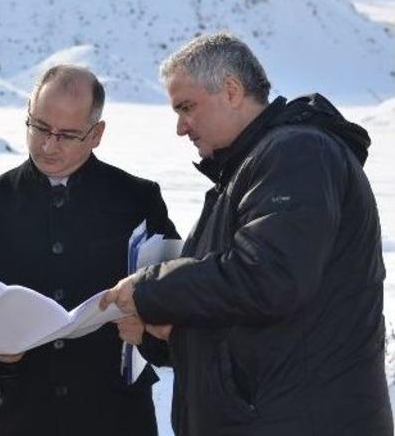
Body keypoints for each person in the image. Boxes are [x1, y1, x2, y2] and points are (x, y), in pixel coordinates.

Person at [100, 32, 394, 435]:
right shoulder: (247, 170)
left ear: (232, 91)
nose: (181, 128)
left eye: (187, 107)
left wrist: (148, 289)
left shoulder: (297, 155)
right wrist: (164, 334)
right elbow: (245, 317)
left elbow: (268, 277)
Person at [0, 65, 178, 435]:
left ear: (96, 134)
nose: (48, 146)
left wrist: (149, 329)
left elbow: (176, 295)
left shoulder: (137, 199)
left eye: (67, 135)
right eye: (39, 127)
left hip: (117, 416)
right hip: (23, 416)